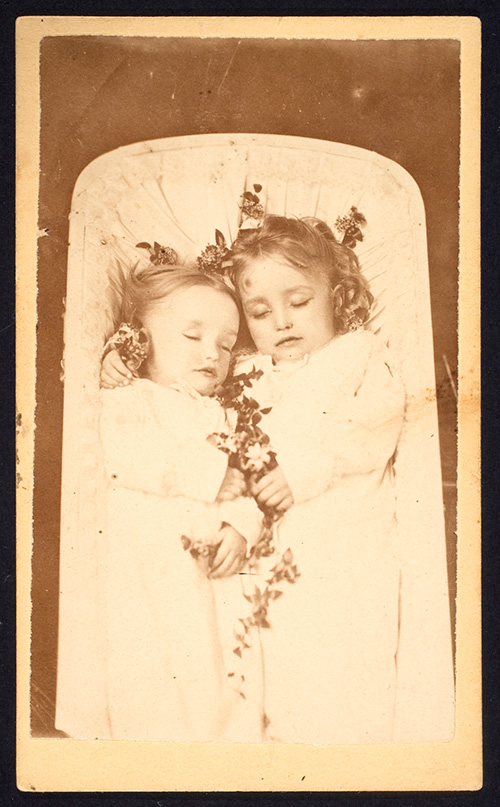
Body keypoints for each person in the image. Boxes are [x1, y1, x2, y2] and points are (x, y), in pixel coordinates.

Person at [95, 262, 267, 742]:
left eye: (227, 344)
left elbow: (249, 480)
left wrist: (240, 526)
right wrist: (211, 474)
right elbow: (121, 455)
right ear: (141, 340)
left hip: (214, 566)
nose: (212, 353)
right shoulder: (132, 398)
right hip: (154, 558)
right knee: (157, 661)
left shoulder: (227, 414)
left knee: (222, 665)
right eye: (192, 337)